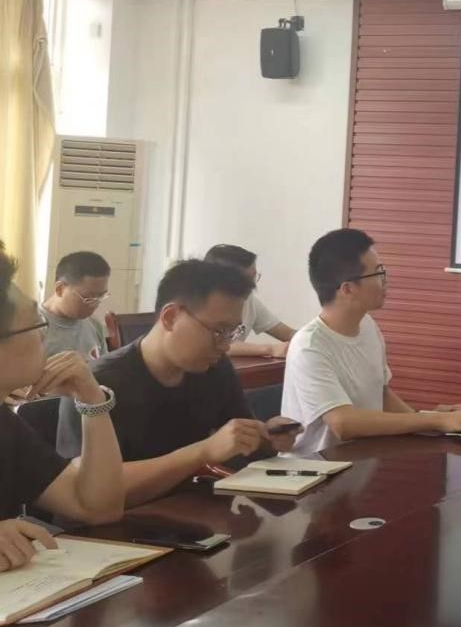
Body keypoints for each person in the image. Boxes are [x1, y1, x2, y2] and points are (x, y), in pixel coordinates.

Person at [57, 259, 300, 508]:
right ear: (171, 317)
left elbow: (237, 443)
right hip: (120, 524)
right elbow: (88, 493)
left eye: (232, 332)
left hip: (195, 511)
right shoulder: (96, 386)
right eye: (219, 331)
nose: (226, 345)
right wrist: (202, 452)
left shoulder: (215, 369)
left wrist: (266, 438)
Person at [282, 228, 461, 455]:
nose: (385, 280)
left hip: (362, 460)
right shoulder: (309, 346)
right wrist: (435, 421)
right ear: (348, 289)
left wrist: (432, 421)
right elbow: (343, 423)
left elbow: (381, 396)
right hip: (315, 469)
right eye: (378, 273)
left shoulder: (367, 326)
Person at [0, 241, 124, 571]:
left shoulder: (6, 426)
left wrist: (92, 400)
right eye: (37, 325)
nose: (46, 337)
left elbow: (98, 507)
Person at [204, 244, 294, 360]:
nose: (252, 286)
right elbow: (216, 346)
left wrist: (310, 338)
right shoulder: (201, 304)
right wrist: (270, 349)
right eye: (246, 280)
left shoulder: (249, 300)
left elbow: (286, 333)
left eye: (254, 277)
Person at [39, 250, 111, 361]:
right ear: (60, 289)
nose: (95, 304)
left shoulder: (94, 325)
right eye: (88, 298)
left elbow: (104, 368)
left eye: (101, 296)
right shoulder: (33, 328)